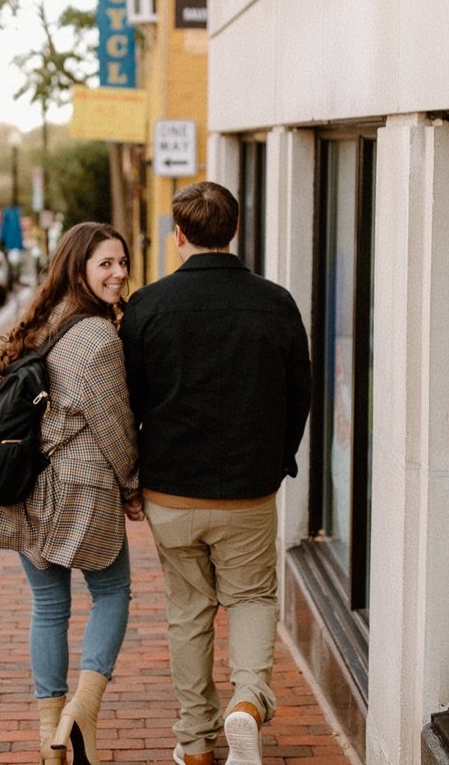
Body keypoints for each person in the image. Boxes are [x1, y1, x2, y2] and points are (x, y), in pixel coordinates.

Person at [120, 181, 311, 765]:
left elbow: (129, 402)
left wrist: (134, 480)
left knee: (189, 611)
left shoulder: (146, 307)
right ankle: (248, 704)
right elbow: (299, 394)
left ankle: (196, 743)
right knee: (253, 596)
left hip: (170, 492)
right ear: (233, 232)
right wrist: (279, 460)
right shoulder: (275, 303)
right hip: (247, 491)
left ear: (179, 235)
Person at [0, 222, 144, 765]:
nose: (119, 273)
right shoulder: (97, 337)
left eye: (122, 262)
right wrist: (131, 487)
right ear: (78, 269)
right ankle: (84, 709)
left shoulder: (37, 325)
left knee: (49, 606)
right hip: (82, 487)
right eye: (106, 264)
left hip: (27, 486)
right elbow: (114, 425)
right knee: (113, 592)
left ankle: (49, 735)